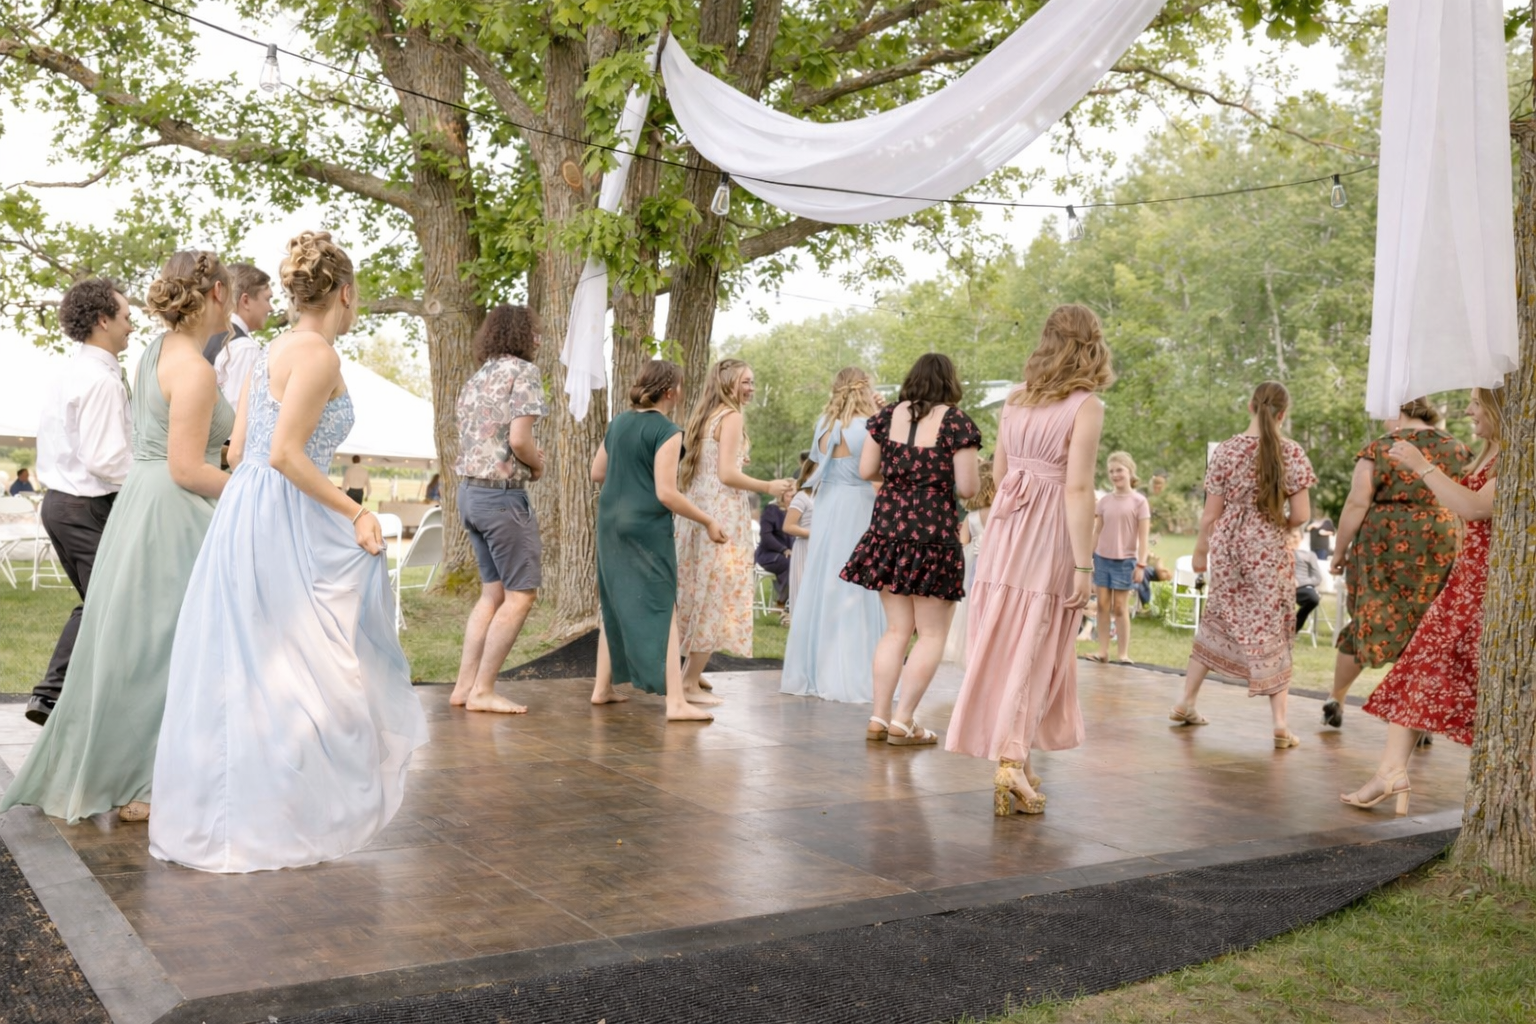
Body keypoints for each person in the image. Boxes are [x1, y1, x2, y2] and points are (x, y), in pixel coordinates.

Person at [149, 231, 428, 872]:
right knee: (307, 667)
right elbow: (282, 454)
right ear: (346, 295)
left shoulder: (268, 349)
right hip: (282, 510)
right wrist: (357, 510)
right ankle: (277, 818)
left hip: (248, 509)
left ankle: (239, 818)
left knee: (255, 666)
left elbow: (240, 447)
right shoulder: (320, 357)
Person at [1, 252, 235, 823]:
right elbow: (181, 466)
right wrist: (253, 490)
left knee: (141, 643)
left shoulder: (155, 351)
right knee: (162, 647)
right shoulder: (195, 369)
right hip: (172, 508)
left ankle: (146, 773)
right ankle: (141, 781)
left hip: (143, 503)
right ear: (220, 293)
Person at [946, 304, 1111, 815]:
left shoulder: (1015, 400)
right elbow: (1078, 486)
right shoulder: (1087, 406)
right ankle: (1012, 764)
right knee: (1038, 646)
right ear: (1091, 345)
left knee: (1004, 642)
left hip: (1006, 531)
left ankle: (1021, 758)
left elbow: (1000, 472)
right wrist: (1085, 566)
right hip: (1050, 535)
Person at [1340, 387, 1504, 814]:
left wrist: (1421, 465)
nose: (1468, 410)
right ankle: (1390, 772)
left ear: (1497, 407)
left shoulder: (1516, 457)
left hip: (1489, 586)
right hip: (1465, 578)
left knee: (1475, 678)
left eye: (1474, 403)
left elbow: (1474, 508)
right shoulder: (1484, 450)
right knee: (1420, 664)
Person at [842, 354, 981, 742]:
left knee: (896, 630)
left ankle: (879, 718)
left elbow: (867, 470)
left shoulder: (885, 417)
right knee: (932, 634)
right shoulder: (956, 422)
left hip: (888, 528)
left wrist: (901, 475)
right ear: (949, 382)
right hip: (934, 532)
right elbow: (968, 488)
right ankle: (904, 720)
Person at [1169, 381, 1316, 748]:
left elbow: (1209, 514)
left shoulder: (1227, 451)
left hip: (1228, 545)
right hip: (1268, 547)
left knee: (1220, 613)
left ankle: (1186, 701)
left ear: (1251, 405)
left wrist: (1201, 552)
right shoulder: (1292, 453)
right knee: (1273, 625)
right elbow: (1301, 514)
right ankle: (1280, 723)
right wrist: (1271, 524)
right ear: (1283, 414)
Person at [22, 280, 134, 726]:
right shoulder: (100, 381)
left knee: (101, 599)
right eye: (126, 316)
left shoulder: (70, 373)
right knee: (109, 599)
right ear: (103, 320)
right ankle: (51, 696)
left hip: (61, 504)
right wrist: (152, 485)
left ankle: (66, 697)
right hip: (86, 505)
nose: (132, 324)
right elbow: (107, 459)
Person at [589, 361, 726, 721]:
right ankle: (676, 702)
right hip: (646, 525)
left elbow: (597, 472)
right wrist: (707, 519)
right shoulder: (667, 430)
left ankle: (602, 687)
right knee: (665, 607)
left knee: (614, 600)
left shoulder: (619, 422)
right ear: (670, 392)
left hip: (609, 521)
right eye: (680, 386)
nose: (681, 391)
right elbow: (667, 493)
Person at [1321, 397, 1469, 728]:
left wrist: (1339, 551)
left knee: (1368, 618)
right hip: (1439, 543)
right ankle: (1414, 718)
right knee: (1427, 628)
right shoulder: (1457, 449)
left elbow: (1358, 502)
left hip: (1383, 545)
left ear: (1397, 411)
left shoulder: (1382, 447)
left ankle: (1336, 698)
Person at [674, 359, 794, 700]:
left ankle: (691, 674)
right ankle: (687, 681)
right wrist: (768, 486)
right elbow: (727, 474)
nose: (751, 388)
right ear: (729, 383)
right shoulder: (731, 417)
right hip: (721, 512)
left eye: (753, 382)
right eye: (746, 382)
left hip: (700, 510)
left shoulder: (707, 416)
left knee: (701, 592)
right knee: (717, 594)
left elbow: (714, 467)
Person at [449, 304, 548, 714]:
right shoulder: (523, 373)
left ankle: (463, 687)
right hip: (502, 498)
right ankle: (484, 691)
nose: (540, 340)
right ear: (521, 335)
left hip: (468, 495)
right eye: (535, 332)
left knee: (492, 593)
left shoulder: (476, 377)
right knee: (521, 596)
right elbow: (520, 440)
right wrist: (538, 464)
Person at [781, 368, 887, 702]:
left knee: (826, 582)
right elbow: (878, 468)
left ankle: (816, 668)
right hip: (858, 503)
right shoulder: (868, 426)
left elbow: (819, 465)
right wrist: (882, 416)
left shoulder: (824, 425)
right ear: (865, 389)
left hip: (828, 503)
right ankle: (853, 670)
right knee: (858, 585)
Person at [1086, 451, 1150, 665]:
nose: (1115, 474)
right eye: (1111, 471)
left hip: (1126, 562)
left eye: (1119, 470)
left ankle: (1122, 654)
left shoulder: (1139, 502)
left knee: (1120, 607)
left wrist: (1141, 564)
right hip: (1102, 558)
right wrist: (1088, 558)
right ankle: (1102, 651)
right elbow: (1096, 531)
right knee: (1102, 605)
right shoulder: (1104, 501)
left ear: (1130, 471)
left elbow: (1144, 536)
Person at [942, 458, 997, 667]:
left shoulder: (971, 517)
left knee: (974, 607)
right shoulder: (1000, 516)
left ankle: (973, 647)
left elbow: (962, 543)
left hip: (975, 567)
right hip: (995, 567)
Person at [208, 263, 274, 406]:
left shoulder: (203, 337)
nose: (271, 308)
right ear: (245, 301)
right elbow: (238, 412)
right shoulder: (244, 348)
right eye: (267, 299)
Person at [782, 458, 815, 618]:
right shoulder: (802, 497)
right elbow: (788, 526)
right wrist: (814, 534)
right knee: (805, 591)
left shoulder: (826, 496)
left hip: (822, 549)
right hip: (805, 549)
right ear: (807, 474)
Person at [756, 492, 793, 607]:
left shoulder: (798, 512)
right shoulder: (772, 510)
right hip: (769, 555)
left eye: (795, 496)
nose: (792, 499)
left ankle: (797, 603)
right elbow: (766, 537)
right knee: (791, 563)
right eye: (789, 496)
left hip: (790, 554)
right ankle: (783, 603)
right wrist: (783, 549)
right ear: (781, 496)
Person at [1291, 529, 1325, 632]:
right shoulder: (1278, 552)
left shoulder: (1309, 555)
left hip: (1301, 587)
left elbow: (1317, 578)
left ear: (1301, 538)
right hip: (1281, 587)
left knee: (1313, 599)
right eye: (1289, 536)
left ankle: (1293, 630)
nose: (1291, 539)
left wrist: (1299, 583)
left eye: (1295, 536)